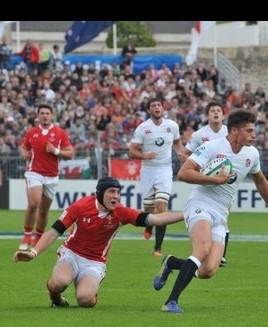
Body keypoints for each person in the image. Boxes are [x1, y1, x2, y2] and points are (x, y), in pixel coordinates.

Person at [154, 109, 268, 313]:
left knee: (208, 270)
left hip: (221, 214)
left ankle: (171, 263)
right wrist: (215, 180)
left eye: (254, 130)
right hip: (200, 204)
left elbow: (260, 180)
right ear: (234, 130)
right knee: (202, 249)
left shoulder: (252, 153)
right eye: (249, 130)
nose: (254, 134)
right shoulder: (212, 147)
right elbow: (184, 173)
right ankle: (171, 302)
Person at [13, 177, 184, 307]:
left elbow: (155, 219)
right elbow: (54, 232)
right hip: (71, 254)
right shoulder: (81, 206)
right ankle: (56, 297)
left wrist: (185, 214)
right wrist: (33, 253)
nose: (116, 196)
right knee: (59, 283)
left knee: (84, 300)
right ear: (101, 193)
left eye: (118, 192)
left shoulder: (121, 212)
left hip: (95, 262)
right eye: (111, 192)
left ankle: (88, 287)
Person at [129, 98, 184, 256]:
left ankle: (157, 248)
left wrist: (180, 152)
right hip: (148, 170)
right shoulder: (143, 128)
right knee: (149, 208)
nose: (157, 107)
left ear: (162, 108)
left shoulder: (172, 126)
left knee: (161, 207)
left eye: (159, 105)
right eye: (153, 106)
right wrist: (145, 156)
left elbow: (177, 142)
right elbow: (132, 151)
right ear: (149, 110)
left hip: (165, 169)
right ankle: (149, 226)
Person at [19, 104, 73, 250]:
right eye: (42, 113)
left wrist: (55, 151)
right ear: (38, 116)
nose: (44, 115)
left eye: (47, 113)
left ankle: (38, 238)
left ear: (52, 115)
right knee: (34, 204)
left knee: (43, 210)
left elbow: (70, 153)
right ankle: (26, 236)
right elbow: (24, 147)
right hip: (34, 172)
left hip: (52, 176)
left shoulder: (60, 133)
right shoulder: (32, 132)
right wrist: (24, 153)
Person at [183, 101, 230, 268]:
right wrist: (200, 168)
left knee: (224, 214)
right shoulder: (199, 135)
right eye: (212, 111)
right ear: (207, 115)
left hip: (226, 179)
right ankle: (201, 251)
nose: (216, 113)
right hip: (206, 180)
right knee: (205, 214)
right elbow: (186, 154)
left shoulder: (229, 132)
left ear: (223, 115)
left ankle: (220, 255)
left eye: (219, 110)